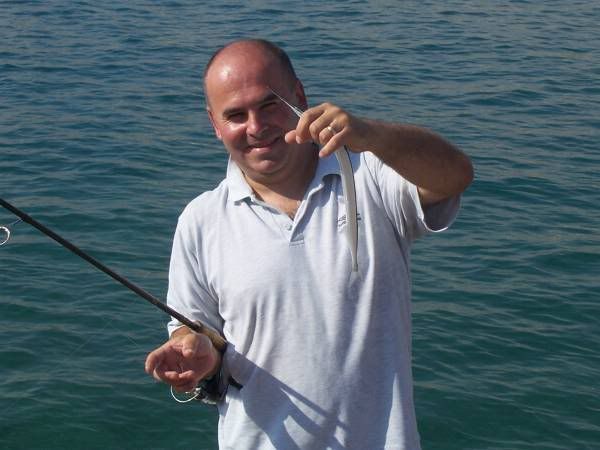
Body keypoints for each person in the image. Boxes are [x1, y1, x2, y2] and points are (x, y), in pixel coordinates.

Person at [145, 38, 473, 449]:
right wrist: (195, 351)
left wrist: (372, 135)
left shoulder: (372, 176)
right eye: (235, 115)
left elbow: (455, 176)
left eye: (269, 105)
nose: (255, 127)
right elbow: (196, 329)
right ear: (214, 124)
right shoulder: (200, 220)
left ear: (299, 96)